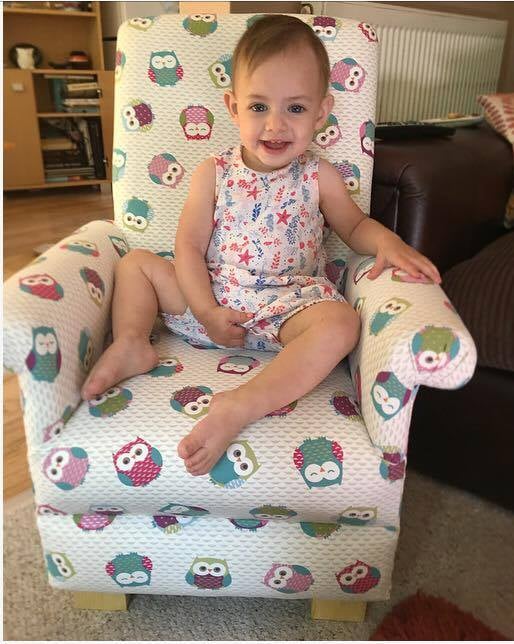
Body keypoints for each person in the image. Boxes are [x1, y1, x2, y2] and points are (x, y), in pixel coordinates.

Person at [82, 15, 441, 477]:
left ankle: (244, 403)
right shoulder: (213, 172)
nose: (275, 125)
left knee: (341, 324)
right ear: (233, 107)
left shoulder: (319, 176)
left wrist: (387, 241)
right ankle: (132, 343)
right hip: (210, 298)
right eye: (258, 106)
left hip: (287, 306)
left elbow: (354, 226)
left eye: (296, 108)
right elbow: (187, 247)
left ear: (321, 113)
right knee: (136, 264)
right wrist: (206, 311)